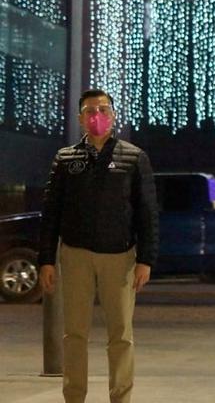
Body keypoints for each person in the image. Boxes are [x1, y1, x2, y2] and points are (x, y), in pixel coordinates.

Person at [38, 89, 159, 403]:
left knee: (121, 335)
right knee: (74, 333)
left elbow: (147, 213)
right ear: (80, 118)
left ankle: (121, 396)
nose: (97, 116)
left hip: (120, 256)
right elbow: (51, 212)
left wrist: (146, 259)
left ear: (113, 115)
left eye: (103, 109)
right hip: (76, 255)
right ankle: (74, 395)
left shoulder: (133, 157)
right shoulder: (66, 159)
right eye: (90, 111)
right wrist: (46, 259)